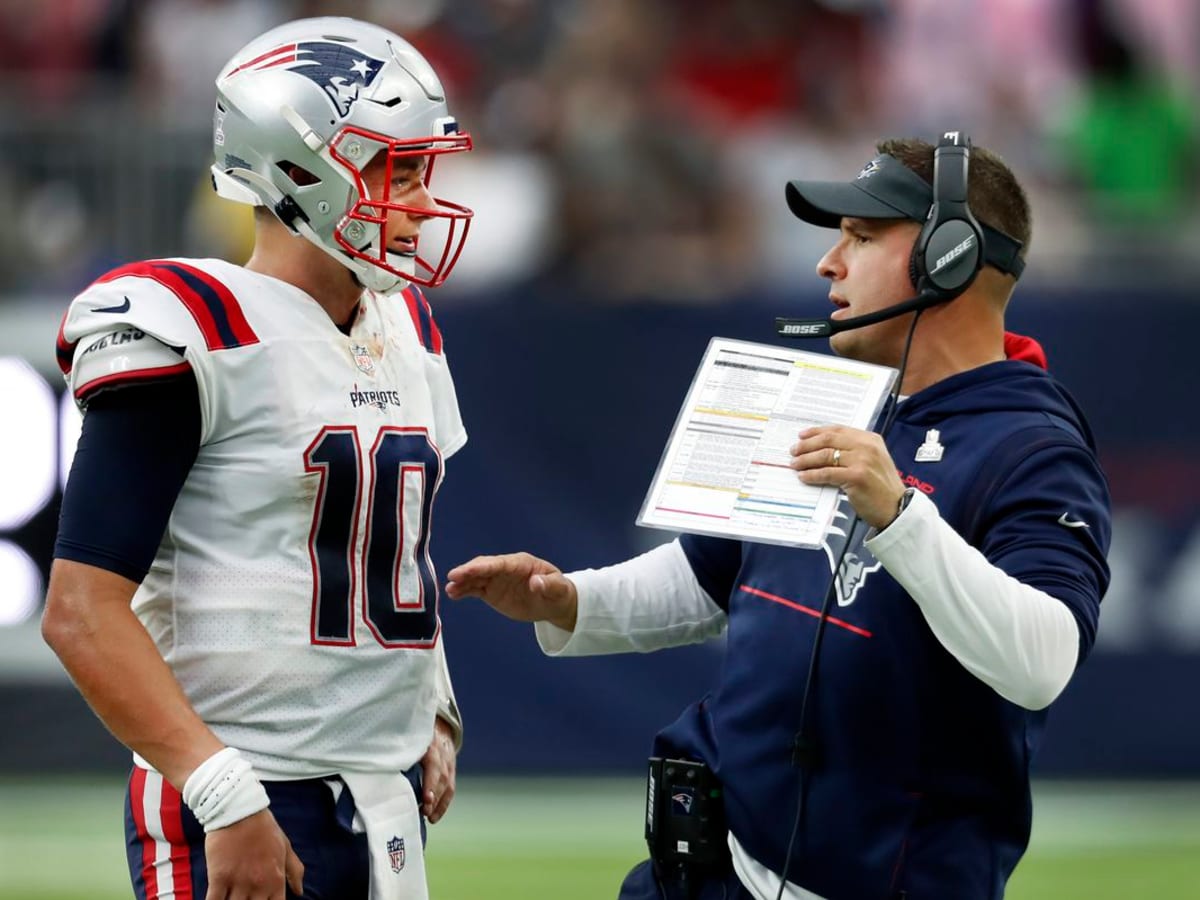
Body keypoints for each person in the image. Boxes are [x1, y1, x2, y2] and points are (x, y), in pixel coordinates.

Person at [447, 136, 1112, 899]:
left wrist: (900, 517)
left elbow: (1044, 663)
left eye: (861, 238)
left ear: (949, 257)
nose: (829, 263)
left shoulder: (1032, 445)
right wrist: (573, 599)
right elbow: (714, 574)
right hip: (712, 866)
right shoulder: (834, 394)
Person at [42, 16, 475, 900]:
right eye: (397, 170)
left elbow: (389, 553)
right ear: (300, 170)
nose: (424, 202)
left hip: (382, 802)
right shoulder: (189, 326)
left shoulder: (406, 327)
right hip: (240, 791)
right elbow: (81, 611)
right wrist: (225, 796)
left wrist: (430, 700)